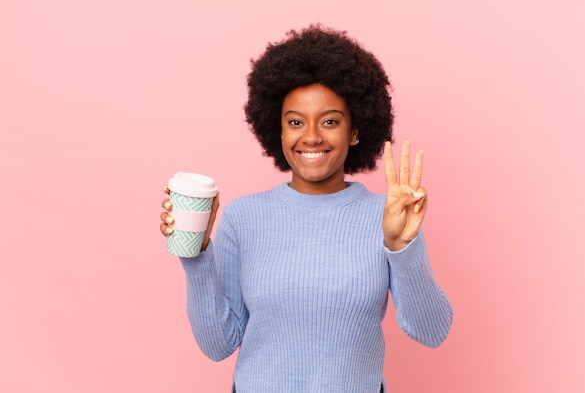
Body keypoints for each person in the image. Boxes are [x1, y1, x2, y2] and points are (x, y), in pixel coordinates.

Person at [159, 24, 452, 393]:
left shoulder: (390, 217)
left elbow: (432, 331)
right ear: (278, 131)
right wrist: (196, 255)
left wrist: (403, 249)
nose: (311, 136)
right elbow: (218, 345)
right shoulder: (243, 218)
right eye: (295, 122)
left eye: (330, 121)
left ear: (355, 131)